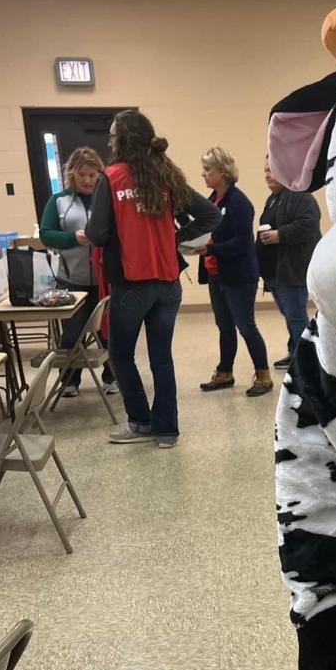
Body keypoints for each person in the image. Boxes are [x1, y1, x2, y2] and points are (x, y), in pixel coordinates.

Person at [86, 111, 221, 448]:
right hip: (168, 282)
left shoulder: (112, 178)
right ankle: (167, 431)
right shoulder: (165, 175)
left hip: (132, 282)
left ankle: (141, 422)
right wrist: (175, 237)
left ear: (123, 140)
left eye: (112, 135)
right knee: (162, 358)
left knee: (120, 355)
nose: (109, 142)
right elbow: (211, 214)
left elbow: (97, 233)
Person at [194, 147, 271, 397]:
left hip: (239, 275)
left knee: (245, 325)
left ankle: (263, 375)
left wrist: (210, 248)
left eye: (208, 169)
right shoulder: (211, 201)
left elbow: (241, 242)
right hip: (216, 274)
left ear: (222, 171)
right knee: (224, 326)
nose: (203, 174)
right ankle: (225, 372)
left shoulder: (239, 202)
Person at [39, 147, 116, 398]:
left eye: (93, 175)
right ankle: (70, 380)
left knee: (109, 332)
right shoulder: (58, 200)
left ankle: (112, 376)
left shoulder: (107, 198)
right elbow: (46, 234)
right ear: (72, 174)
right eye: (82, 175)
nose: (87, 180)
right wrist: (73, 238)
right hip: (71, 279)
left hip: (105, 278)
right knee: (72, 334)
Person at [257, 160, 321, 371]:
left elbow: (308, 224)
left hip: (294, 269)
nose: (268, 175)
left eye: (272, 170)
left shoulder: (301, 196)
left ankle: (307, 360)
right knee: (289, 314)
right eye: (265, 170)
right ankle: (295, 351)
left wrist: (280, 235)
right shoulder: (273, 199)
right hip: (276, 271)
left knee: (296, 316)